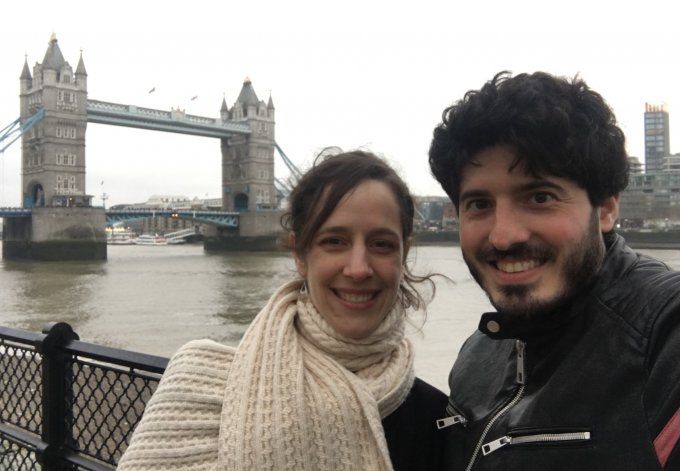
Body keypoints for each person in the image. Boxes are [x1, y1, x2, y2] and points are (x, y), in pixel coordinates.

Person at [118, 150, 447, 470]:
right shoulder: (197, 386)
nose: (358, 268)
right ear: (299, 254)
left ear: (403, 254)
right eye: (334, 241)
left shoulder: (440, 420)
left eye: (381, 244)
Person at [428, 71, 680, 470]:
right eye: (479, 204)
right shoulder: (477, 355)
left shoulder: (665, 334)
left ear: (606, 208)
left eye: (540, 197)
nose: (503, 236)